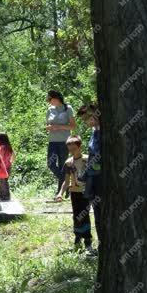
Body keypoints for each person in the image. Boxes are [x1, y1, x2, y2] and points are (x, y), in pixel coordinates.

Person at [55, 136, 93, 252]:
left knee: (85, 215)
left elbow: (93, 176)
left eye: (74, 149)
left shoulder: (87, 159)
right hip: (74, 193)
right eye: (70, 150)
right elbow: (66, 182)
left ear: (80, 147)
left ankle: (88, 240)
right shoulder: (68, 163)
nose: (72, 152)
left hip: (86, 192)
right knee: (76, 216)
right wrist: (60, 193)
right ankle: (77, 237)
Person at [76, 103, 102, 245]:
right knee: (96, 211)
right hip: (93, 177)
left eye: (87, 118)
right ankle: (101, 242)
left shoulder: (103, 132)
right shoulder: (94, 131)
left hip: (101, 178)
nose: (86, 122)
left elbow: (98, 155)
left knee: (102, 211)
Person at [46, 90, 76, 195]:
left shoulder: (68, 109)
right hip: (52, 141)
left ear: (57, 98)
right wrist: (49, 128)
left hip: (64, 141)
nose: (49, 101)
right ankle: (66, 182)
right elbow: (47, 125)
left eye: (50, 99)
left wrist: (59, 127)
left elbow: (73, 126)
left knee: (63, 165)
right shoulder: (50, 109)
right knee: (51, 164)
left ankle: (60, 192)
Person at [0, 133, 15, 201]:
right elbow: (14, 155)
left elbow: (0, 157)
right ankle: (3, 195)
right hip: (8, 166)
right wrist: (11, 162)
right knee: (4, 181)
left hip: (2, 167)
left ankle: (5, 196)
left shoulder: (1, 147)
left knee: (3, 181)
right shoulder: (9, 147)